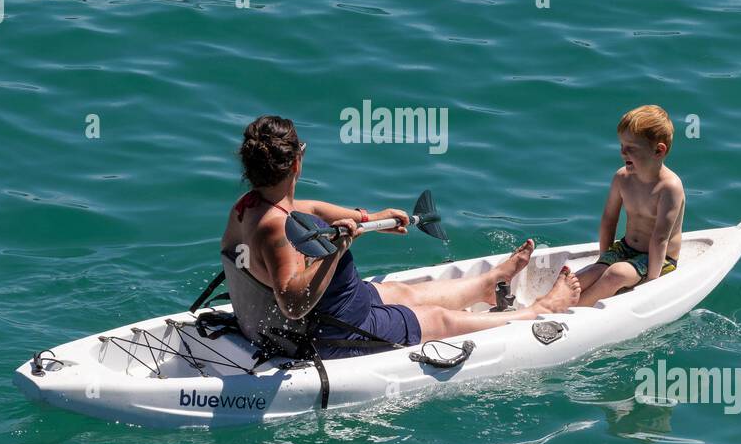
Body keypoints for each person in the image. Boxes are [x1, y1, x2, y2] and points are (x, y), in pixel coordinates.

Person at [221, 115, 580, 359]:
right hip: (332, 332)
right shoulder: (274, 229)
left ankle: (488, 283)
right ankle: (539, 310)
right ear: (298, 162)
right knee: (439, 320)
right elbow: (293, 304)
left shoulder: (249, 205)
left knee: (402, 293)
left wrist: (369, 218)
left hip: (322, 311)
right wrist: (337, 250)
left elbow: (308, 209)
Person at [575, 105, 685, 308]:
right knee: (580, 277)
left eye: (631, 148)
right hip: (626, 247)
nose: (622, 152)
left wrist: (652, 284)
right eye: (621, 145)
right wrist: (603, 259)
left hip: (659, 259)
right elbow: (609, 220)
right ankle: (547, 305)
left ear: (658, 150)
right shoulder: (622, 178)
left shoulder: (669, 187)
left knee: (615, 274)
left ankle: (572, 313)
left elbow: (660, 238)